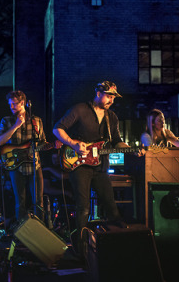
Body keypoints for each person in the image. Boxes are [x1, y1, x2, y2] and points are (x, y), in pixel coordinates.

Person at [52, 81, 132, 254]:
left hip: (100, 167)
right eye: (109, 96)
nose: (111, 100)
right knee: (84, 207)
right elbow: (57, 129)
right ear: (98, 93)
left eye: (113, 97)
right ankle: (80, 248)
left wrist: (132, 150)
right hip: (80, 165)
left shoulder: (112, 117)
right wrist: (73, 144)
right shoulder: (80, 110)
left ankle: (119, 247)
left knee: (111, 205)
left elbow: (116, 141)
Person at [0, 90, 47, 222]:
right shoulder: (6, 121)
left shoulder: (36, 121)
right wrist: (15, 126)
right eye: (10, 104)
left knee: (38, 201)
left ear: (23, 103)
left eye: (14, 104)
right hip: (16, 167)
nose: (11, 107)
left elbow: (42, 142)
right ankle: (22, 234)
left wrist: (54, 145)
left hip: (35, 166)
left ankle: (40, 232)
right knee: (20, 202)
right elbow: (0, 141)